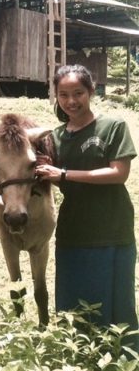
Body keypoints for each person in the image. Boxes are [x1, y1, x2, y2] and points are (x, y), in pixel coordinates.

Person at [34, 64, 137, 337]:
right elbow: (47, 176)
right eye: (63, 94)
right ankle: (79, 357)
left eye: (78, 93)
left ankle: (120, 359)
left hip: (111, 229)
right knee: (73, 300)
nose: (71, 101)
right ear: (55, 95)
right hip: (73, 230)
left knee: (116, 301)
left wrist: (64, 174)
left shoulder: (112, 127)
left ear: (91, 91)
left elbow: (119, 174)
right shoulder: (54, 137)